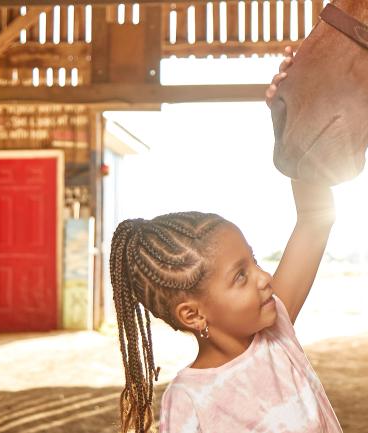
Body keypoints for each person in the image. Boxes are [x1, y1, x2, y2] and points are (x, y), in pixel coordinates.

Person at [109, 47, 343, 433]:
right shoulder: (189, 401)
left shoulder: (274, 332)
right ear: (193, 314)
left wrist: (292, 115)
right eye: (240, 275)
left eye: (252, 262)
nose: (264, 277)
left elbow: (315, 219)